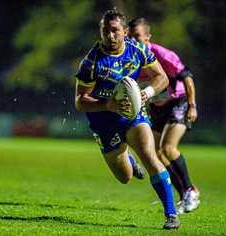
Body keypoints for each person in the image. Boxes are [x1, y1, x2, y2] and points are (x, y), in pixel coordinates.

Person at [75, 9, 180, 229]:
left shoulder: (138, 50)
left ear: (124, 31)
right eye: (106, 31)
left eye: (115, 31)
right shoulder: (91, 62)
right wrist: (107, 105)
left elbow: (161, 77)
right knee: (125, 177)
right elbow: (79, 101)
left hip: (132, 115)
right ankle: (127, 155)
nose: (110, 36)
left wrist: (147, 93)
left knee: (150, 156)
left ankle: (171, 214)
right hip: (103, 122)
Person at [128, 17, 200, 214]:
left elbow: (187, 77)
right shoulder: (130, 57)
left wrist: (192, 105)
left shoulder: (162, 54)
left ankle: (191, 190)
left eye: (138, 37)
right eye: (130, 37)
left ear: (148, 37)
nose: (134, 41)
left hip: (179, 103)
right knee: (156, 154)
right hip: (157, 108)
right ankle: (186, 195)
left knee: (167, 148)